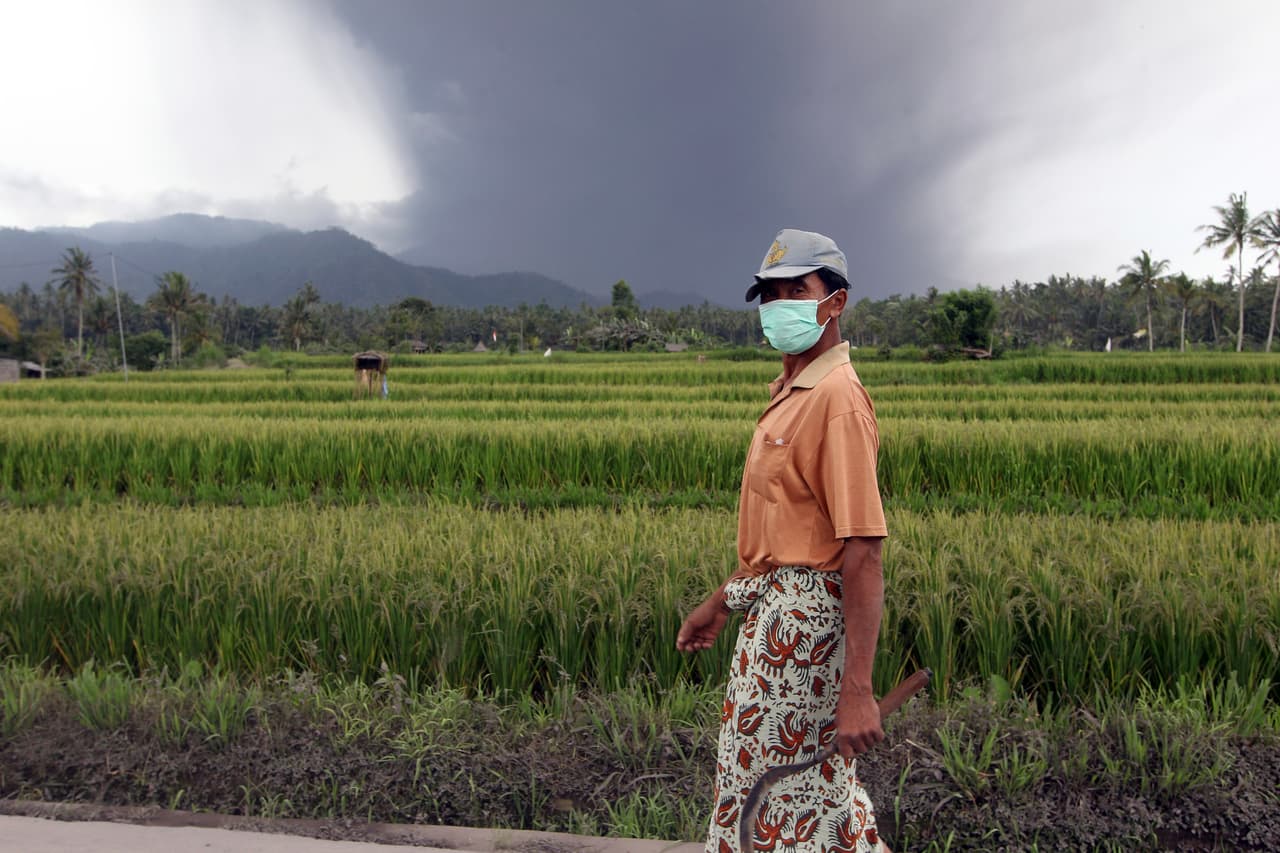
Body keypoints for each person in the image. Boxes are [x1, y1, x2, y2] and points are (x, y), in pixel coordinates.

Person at [677, 229, 889, 853]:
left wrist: (858, 690)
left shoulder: (837, 400)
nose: (779, 305)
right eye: (770, 294)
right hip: (772, 623)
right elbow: (782, 538)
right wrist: (722, 602)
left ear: (835, 302)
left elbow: (863, 550)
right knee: (767, 785)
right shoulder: (794, 394)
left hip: (805, 636)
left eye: (798, 290)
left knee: (787, 794)